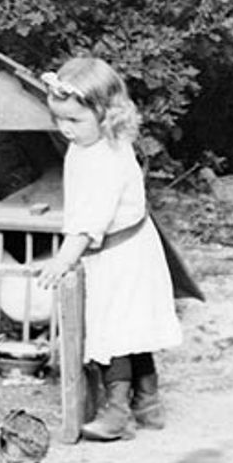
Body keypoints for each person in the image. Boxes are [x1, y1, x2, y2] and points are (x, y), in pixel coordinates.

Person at [30, 55, 182, 440]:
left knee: (113, 330)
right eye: (58, 119)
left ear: (106, 113)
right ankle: (148, 404)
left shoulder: (105, 158)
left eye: (74, 120)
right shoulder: (97, 143)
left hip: (120, 253)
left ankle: (117, 414)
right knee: (134, 326)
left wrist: (63, 259)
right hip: (130, 246)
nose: (65, 129)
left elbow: (90, 220)